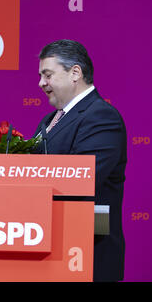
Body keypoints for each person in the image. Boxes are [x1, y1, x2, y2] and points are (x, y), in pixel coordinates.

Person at [33, 39, 127, 282]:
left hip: (87, 255)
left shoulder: (101, 115)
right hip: (44, 248)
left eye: (48, 74)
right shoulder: (49, 120)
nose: (41, 83)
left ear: (75, 72)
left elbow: (82, 180)